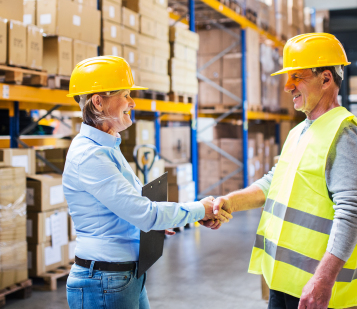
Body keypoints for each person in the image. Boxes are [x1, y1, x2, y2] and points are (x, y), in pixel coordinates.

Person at [202, 33, 357, 309]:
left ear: (326, 79)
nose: (287, 86)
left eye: (297, 77)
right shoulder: (300, 131)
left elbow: (352, 213)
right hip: (284, 280)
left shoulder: (345, 135)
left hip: (314, 288)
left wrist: (323, 280)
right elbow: (275, 182)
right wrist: (229, 202)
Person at [63, 56, 231, 309]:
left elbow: (128, 209)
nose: (132, 102)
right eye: (125, 95)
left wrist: (159, 223)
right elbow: (143, 212)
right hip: (104, 282)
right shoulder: (90, 155)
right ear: (98, 102)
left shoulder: (106, 146)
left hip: (122, 276)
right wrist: (200, 209)